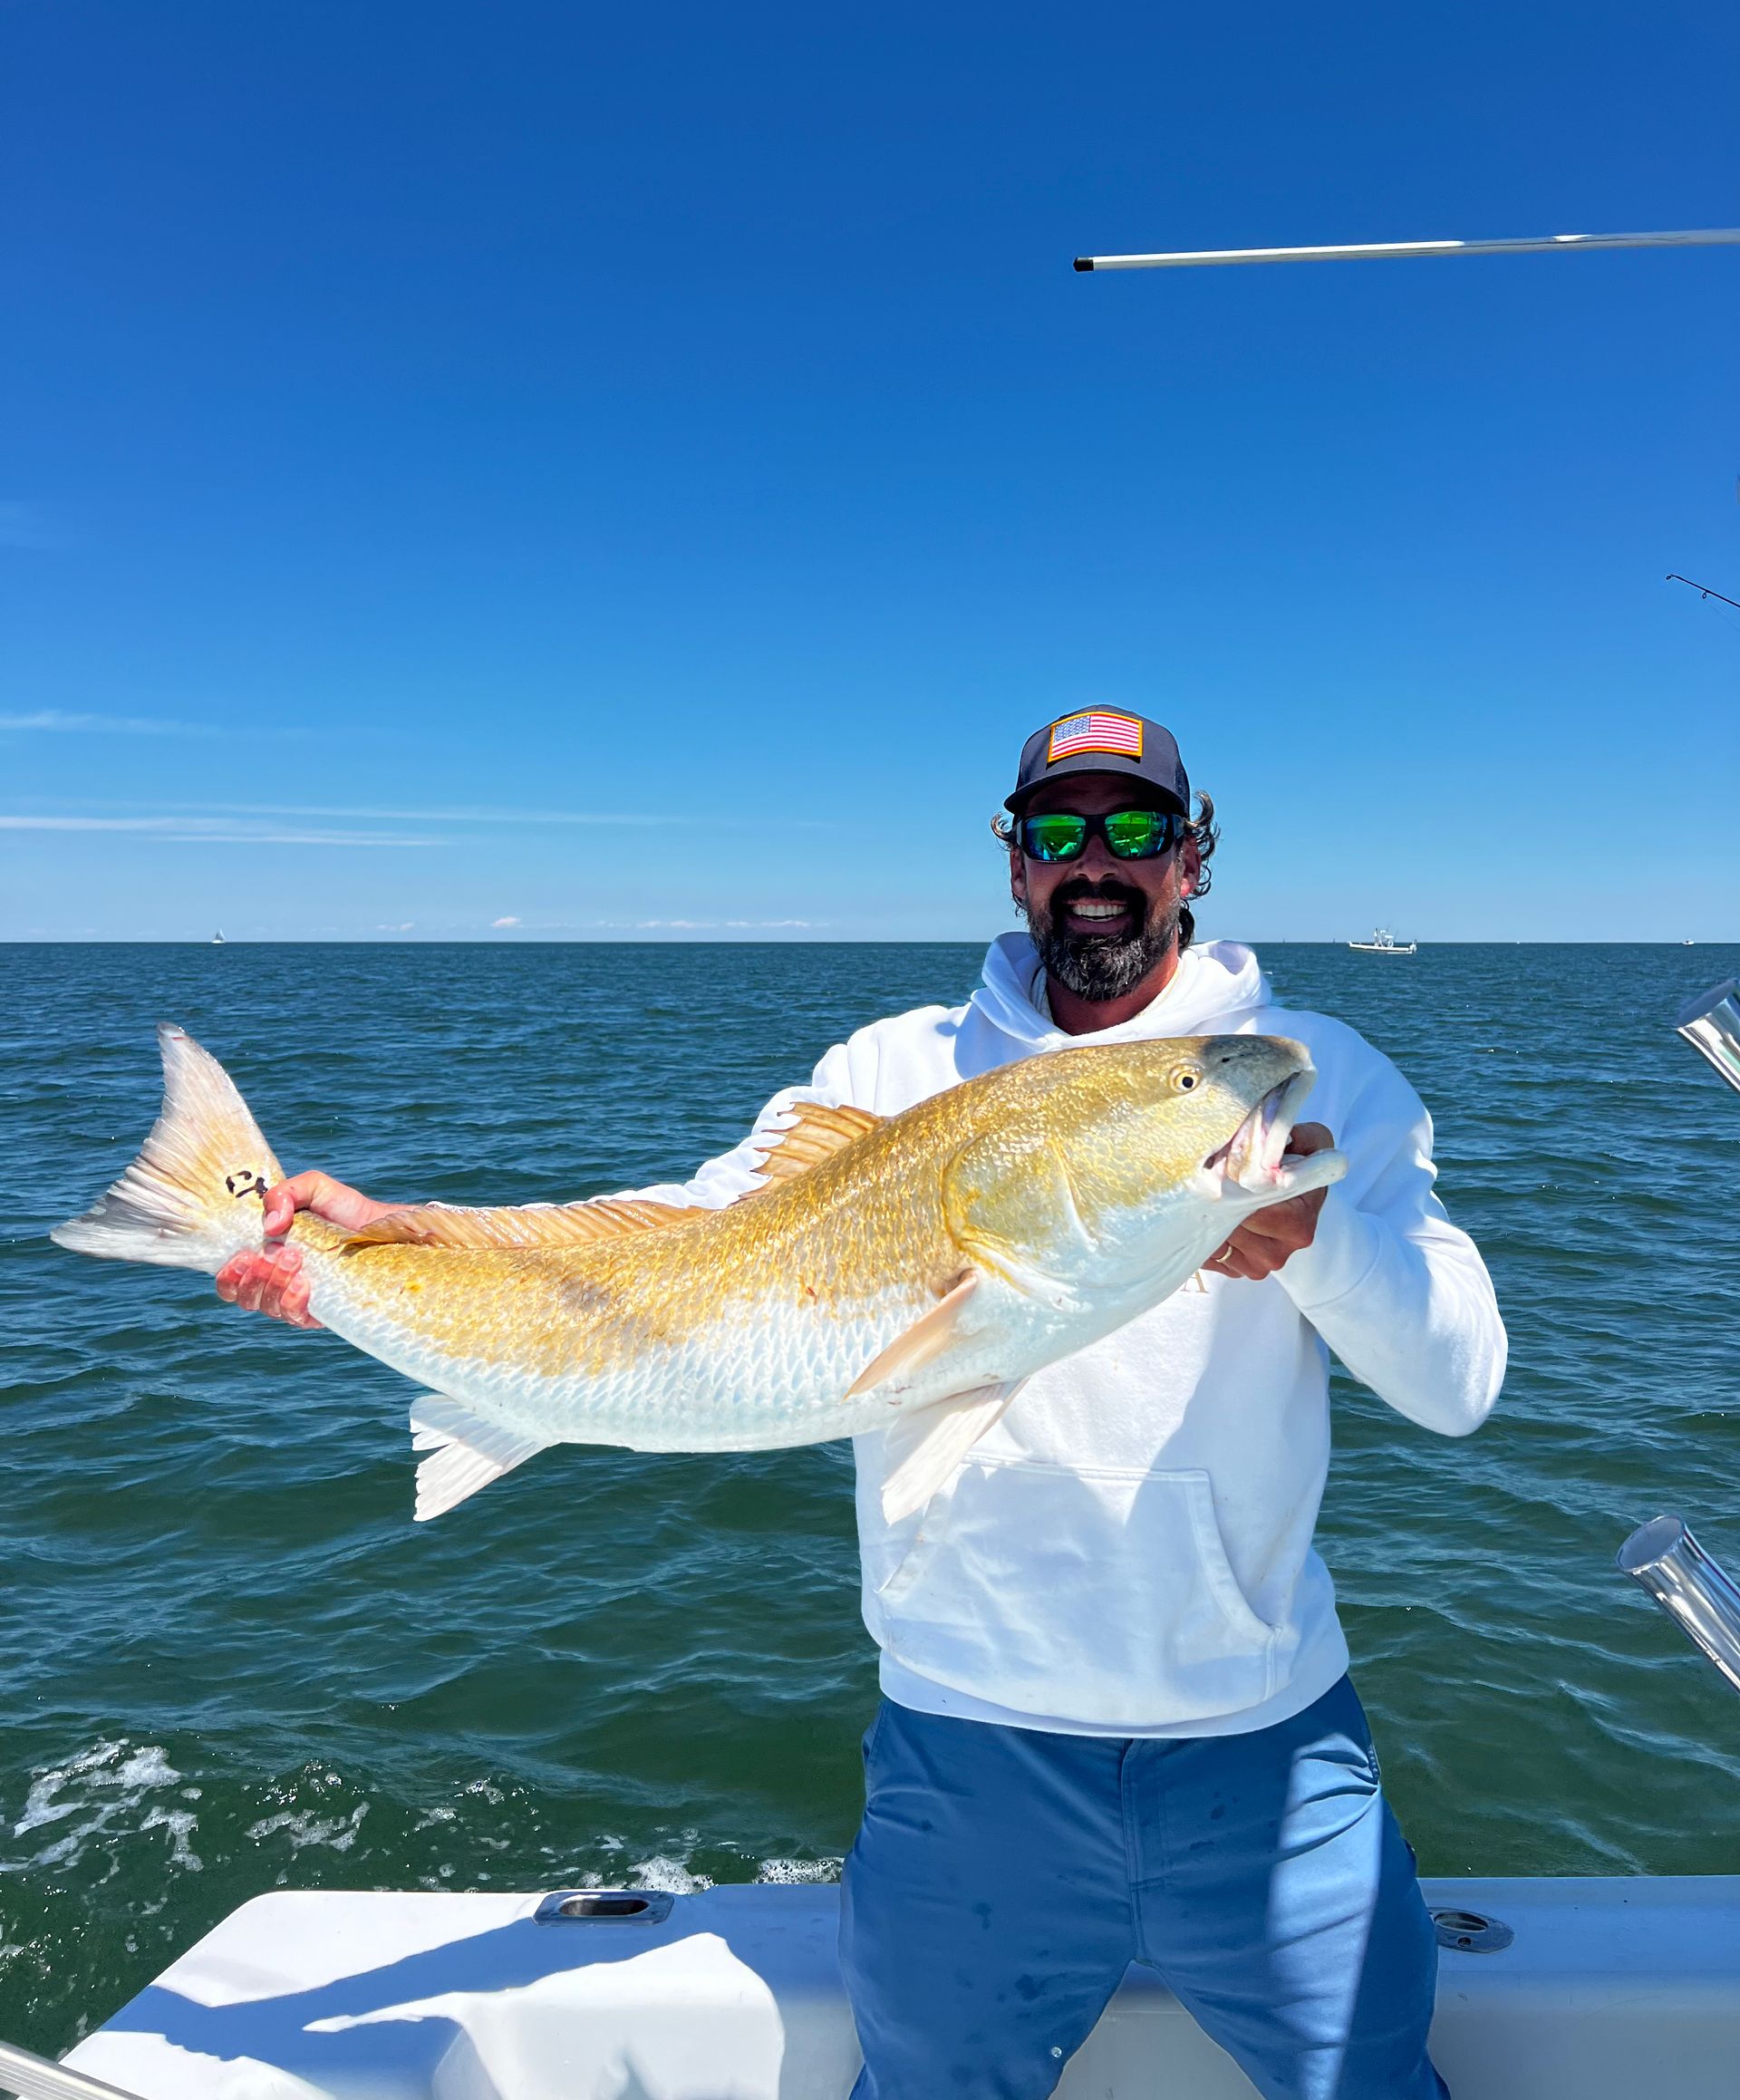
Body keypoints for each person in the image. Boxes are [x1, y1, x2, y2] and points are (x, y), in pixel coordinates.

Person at [219, 704, 1506, 2100]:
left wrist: (1318, 1243)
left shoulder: (1306, 1073)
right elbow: (679, 1239)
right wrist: (404, 1238)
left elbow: (1460, 1384)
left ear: (1192, 857)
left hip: (1271, 1749)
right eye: (1060, 830)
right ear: (1014, 862)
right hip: (967, 1753)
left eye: (1136, 830)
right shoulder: (890, 1074)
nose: (1097, 860)